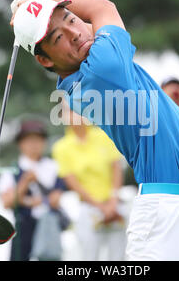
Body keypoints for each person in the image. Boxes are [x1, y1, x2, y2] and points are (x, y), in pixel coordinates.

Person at [9, 0, 179, 260]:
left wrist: (36, 7)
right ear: (46, 60)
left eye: (71, 20)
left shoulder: (98, 63)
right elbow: (101, 7)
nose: (74, 33)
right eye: (58, 37)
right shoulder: (101, 71)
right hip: (166, 214)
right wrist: (42, 0)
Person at [52, 107, 126, 260]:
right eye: (69, 111)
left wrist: (112, 201)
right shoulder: (61, 147)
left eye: (77, 109)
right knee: (89, 256)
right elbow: (73, 183)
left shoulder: (104, 135)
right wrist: (101, 207)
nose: (75, 114)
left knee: (118, 257)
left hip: (114, 204)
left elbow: (116, 169)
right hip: (89, 207)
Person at [0, 119, 66, 261]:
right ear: (20, 144)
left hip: (48, 225)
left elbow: (56, 199)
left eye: (38, 140)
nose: (34, 145)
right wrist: (25, 183)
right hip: (23, 226)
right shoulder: (12, 169)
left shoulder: (53, 167)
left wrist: (26, 200)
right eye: (29, 140)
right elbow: (7, 202)